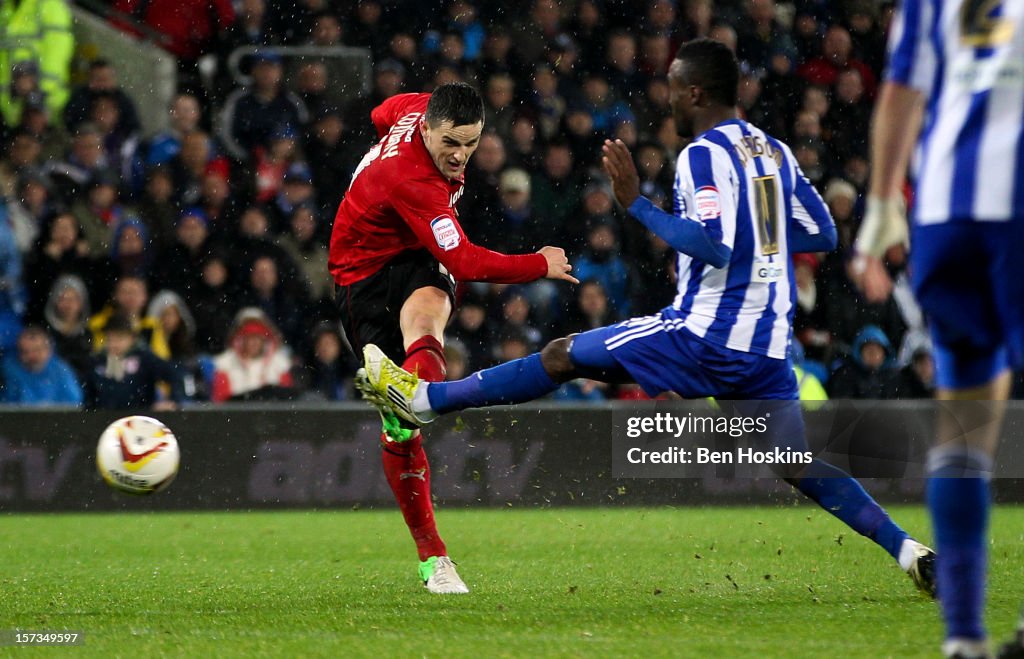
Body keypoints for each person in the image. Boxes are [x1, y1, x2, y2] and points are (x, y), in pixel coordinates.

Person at [357, 40, 935, 599]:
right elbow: (822, 232)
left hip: (703, 333)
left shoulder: (703, 154)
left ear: (697, 91)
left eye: (676, 89)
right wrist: (763, 242)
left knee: (561, 355)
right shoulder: (773, 150)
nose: (671, 100)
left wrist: (636, 202)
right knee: (794, 462)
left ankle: (428, 401)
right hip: (766, 346)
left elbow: (711, 244)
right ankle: (908, 550)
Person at [328, 82, 577, 594]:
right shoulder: (415, 182)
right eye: (450, 145)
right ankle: (431, 555)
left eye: (470, 143)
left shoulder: (416, 108)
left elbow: (380, 112)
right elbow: (464, 260)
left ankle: (417, 398)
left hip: (411, 250)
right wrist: (540, 264)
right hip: (360, 275)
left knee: (427, 319)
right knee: (398, 431)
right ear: (425, 131)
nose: (460, 156)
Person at [852, 3, 1024, 657]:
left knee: (963, 429)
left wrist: (880, 206)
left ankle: (964, 637)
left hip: (947, 216)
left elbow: (900, 89)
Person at [1, 325, 82, 406]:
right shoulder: (8, 369)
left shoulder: (61, 370)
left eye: (37, 350)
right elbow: (7, 403)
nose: (31, 356)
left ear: (48, 349)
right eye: (25, 351)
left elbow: (73, 402)